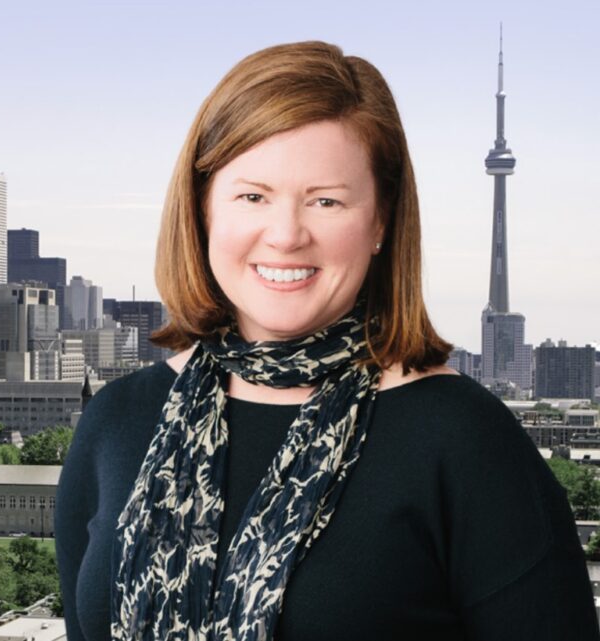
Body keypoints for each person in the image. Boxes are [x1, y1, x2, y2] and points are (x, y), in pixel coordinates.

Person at [54, 41, 599, 641]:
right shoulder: (118, 420)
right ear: (204, 208)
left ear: (381, 222)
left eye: (326, 201)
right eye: (253, 196)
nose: (286, 235)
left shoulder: (463, 439)